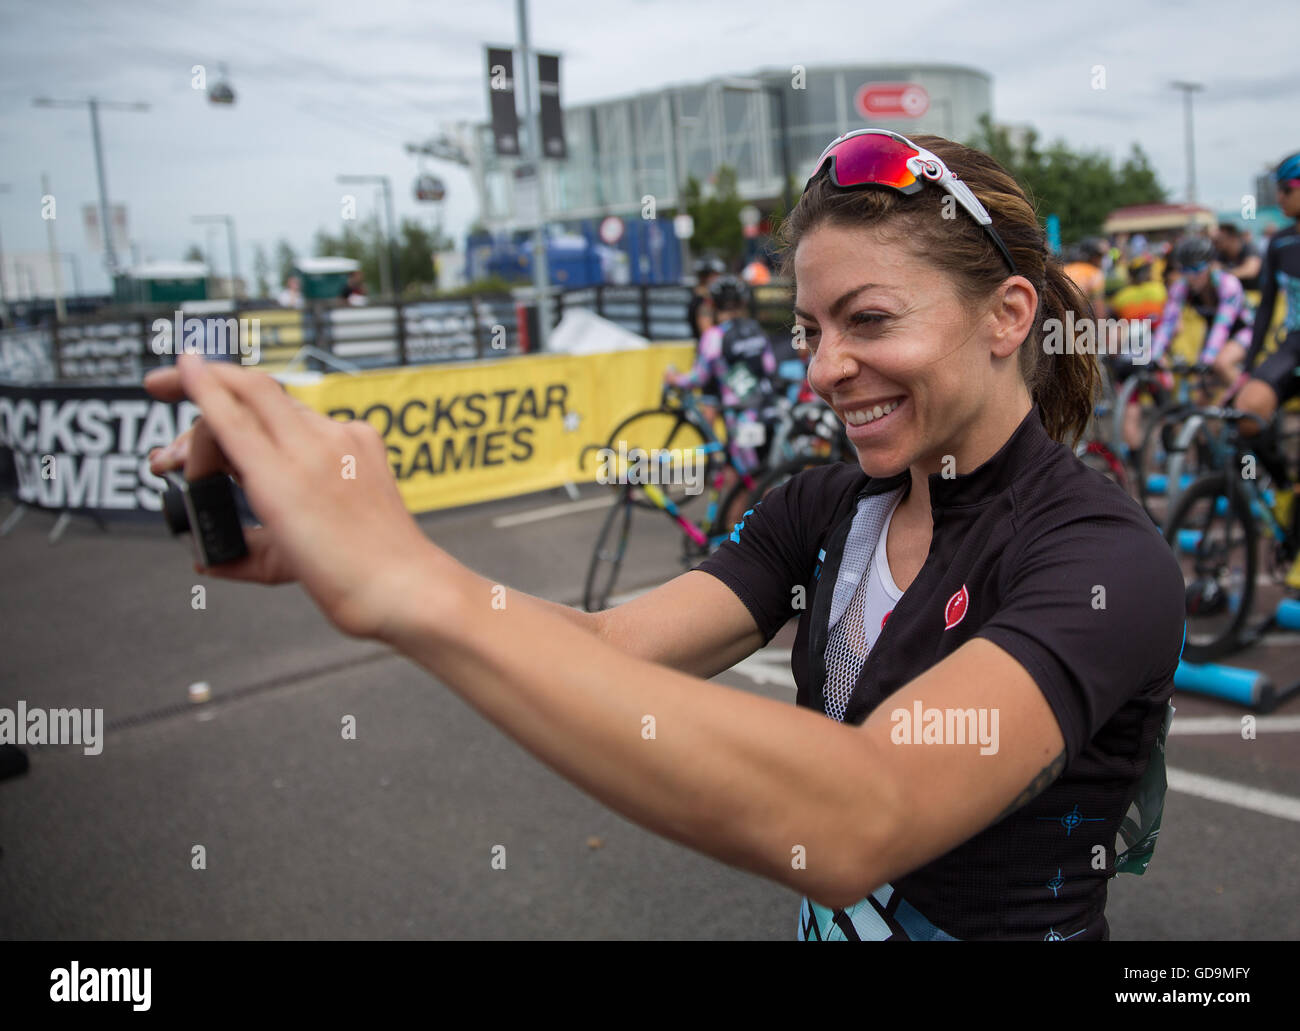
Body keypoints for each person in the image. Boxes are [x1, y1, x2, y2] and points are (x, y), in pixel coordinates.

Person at [143, 127, 1185, 941]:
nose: (823, 368)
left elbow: (863, 812)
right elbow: (601, 648)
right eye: (810, 329)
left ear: (1007, 316)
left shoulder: (1101, 558)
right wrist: (371, 570)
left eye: (867, 321)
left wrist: (407, 581)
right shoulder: (822, 506)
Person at [1234, 150, 1300, 590]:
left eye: (1283, 191)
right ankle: (1281, 489)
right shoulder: (1279, 242)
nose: (1277, 199)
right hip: (1293, 345)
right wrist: (1250, 367)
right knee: (1246, 413)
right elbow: (1265, 311)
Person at [665, 274, 778, 477]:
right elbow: (770, 367)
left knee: (746, 486)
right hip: (767, 411)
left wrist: (674, 379)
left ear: (713, 305)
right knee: (765, 479)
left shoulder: (714, 336)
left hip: (739, 419)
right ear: (743, 303)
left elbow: (697, 378)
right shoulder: (756, 330)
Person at [1150, 236, 1255, 394]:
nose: (1191, 276)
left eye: (1197, 269)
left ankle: (1251, 403)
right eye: (1185, 270)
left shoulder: (1228, 284)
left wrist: (1207, 359)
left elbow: (1222, 325)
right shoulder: (1181, 287)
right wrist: (1155, 355)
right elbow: (1168, 323)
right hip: (1215, 334)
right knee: (1202, 392)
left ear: (1211, 265)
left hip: (1245, 331)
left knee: (1221, 363)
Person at [1214, 224, 1262, 291]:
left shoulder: (1249, 248)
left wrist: (1224, 273)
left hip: (1257, 292)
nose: (1216, 241)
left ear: (1232, 238)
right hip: (1239, 293)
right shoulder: (1221, 252)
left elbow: (1251, 271)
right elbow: (1213, 269)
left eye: (1220, 238)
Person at [687, 256, 725, 342]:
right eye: (716, 275)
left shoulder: (710, 297)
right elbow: (707, 334)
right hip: (710, 349)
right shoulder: (702, 301)